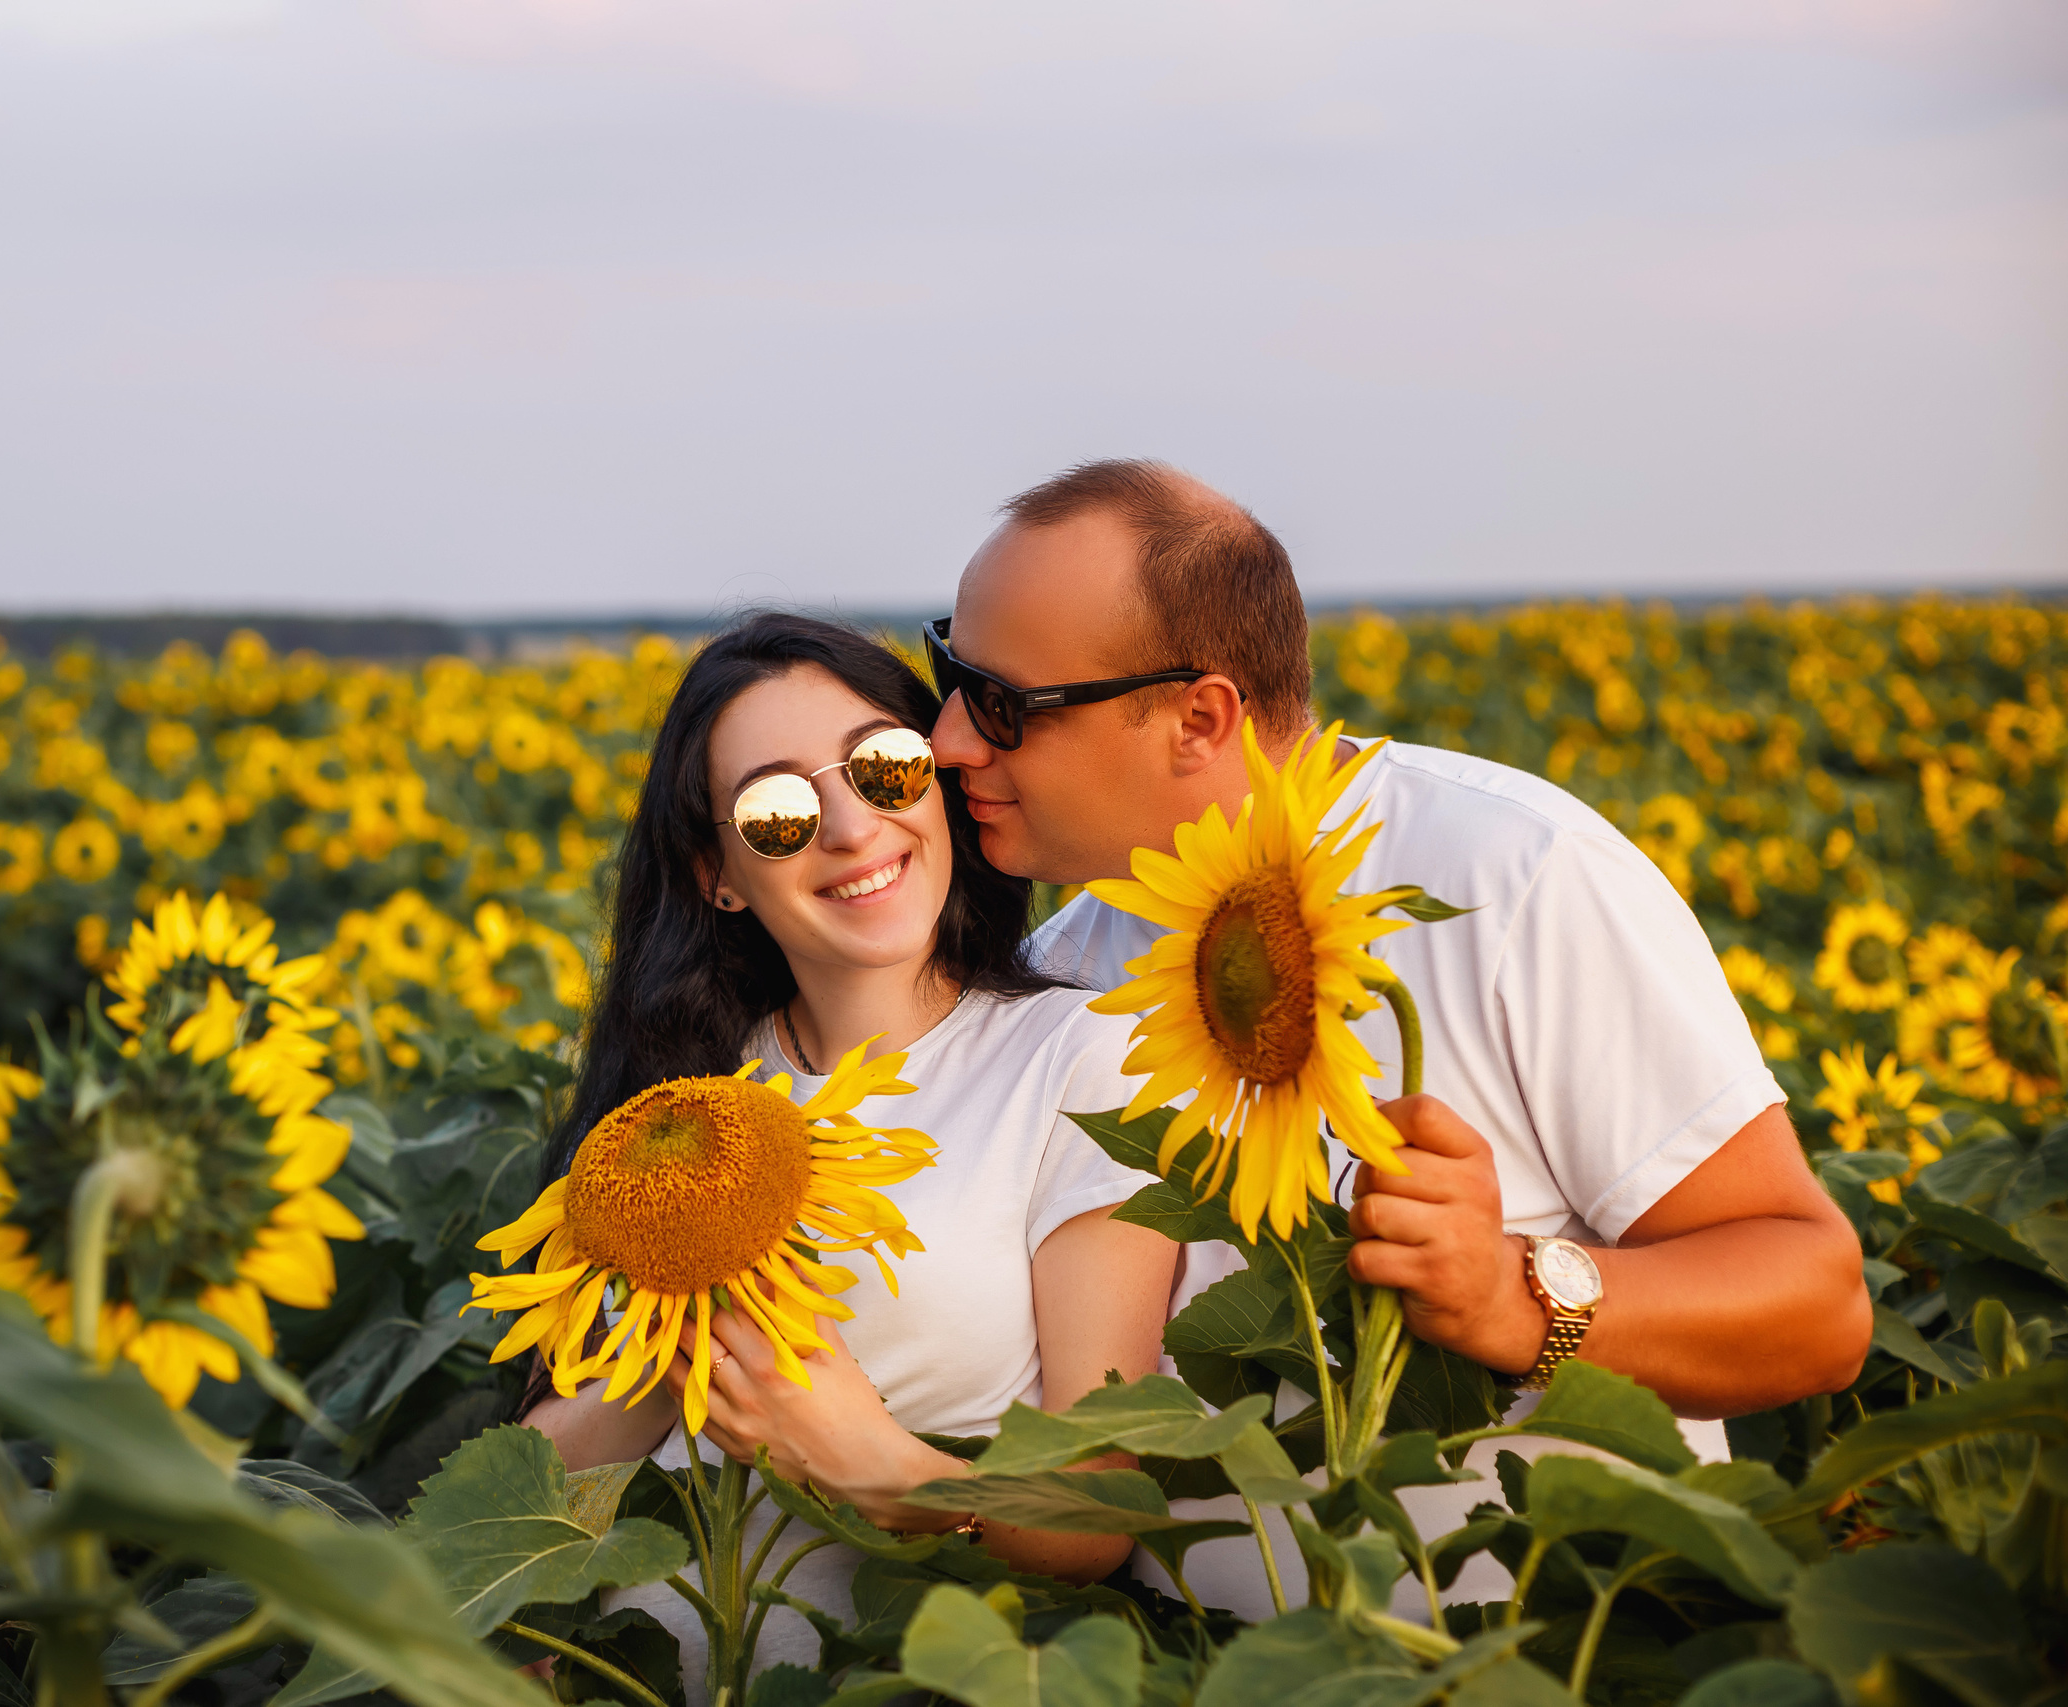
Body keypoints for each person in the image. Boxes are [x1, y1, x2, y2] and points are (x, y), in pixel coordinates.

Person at [923, 458, 1872, 1613]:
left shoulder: (1509, 878)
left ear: (1197, 718)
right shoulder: (1069, 965)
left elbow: (1816, 1302)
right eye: (950, 675)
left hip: (1544, 1650)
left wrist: (1514, 1297)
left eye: (1004, 703)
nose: (946, 740)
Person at [519, 612, 1178, 1689]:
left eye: (883, 765)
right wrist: (679, 1331)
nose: (850, 826)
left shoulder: (1081, 1064)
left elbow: (1096, 1510)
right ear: (716, 873)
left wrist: (866, 1464)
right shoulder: (684, 1098)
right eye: (775, 809)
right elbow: (527, 1492)